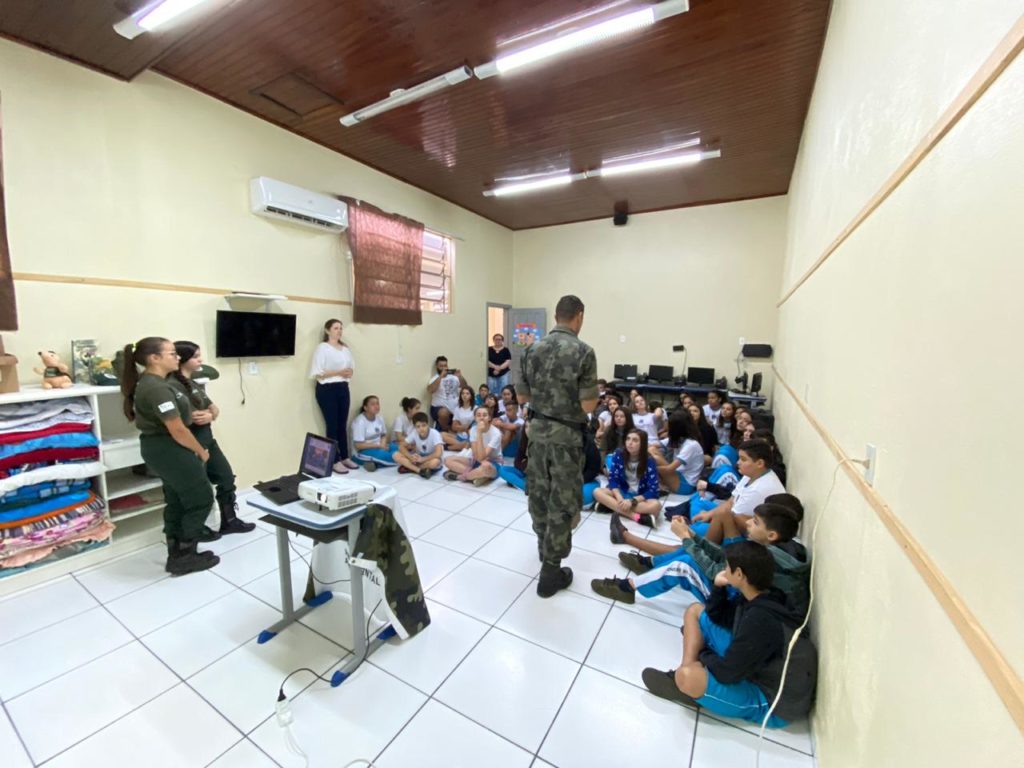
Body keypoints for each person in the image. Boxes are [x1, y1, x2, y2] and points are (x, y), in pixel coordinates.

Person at [641, 541, 817, 729]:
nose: (724, 570)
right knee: (695, 611)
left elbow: (727, 673)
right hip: (759, 665)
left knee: (687, 676)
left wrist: (704, 653)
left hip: (775, 700)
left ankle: (686, 683)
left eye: (727, 567)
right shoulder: (761, 595)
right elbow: (720, 617)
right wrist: (718, 588)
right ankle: (686, 674)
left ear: (739, 574)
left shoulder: (759, 619)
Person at [594, 499, 809, 616]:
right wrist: (691, 535)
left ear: (772, 535)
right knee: (692, 551)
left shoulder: (765, 559)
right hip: (738, 595)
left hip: (735, 608)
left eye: (755, 522)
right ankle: (646, 568)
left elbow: (716, 573)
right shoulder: (769, 548)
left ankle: (627, 588)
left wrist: (686, 539)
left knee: (684, 566)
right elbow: (726, 556)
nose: (748, 523)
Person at [518, 294, 598, 598]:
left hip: (537, 435)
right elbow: (588, 404)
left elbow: (522, 397)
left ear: (556, 316)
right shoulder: (584, 352)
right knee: (562, 502)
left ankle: (543, 547)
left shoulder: (531, 349)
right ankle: (551, 571)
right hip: (566, 439)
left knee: (539, 493)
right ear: (579, 316)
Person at [121, 337, 219, 576]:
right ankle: (185, 555)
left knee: (176, 500)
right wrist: (201, 451)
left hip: (163, 448)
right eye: (172, 353)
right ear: (154, 358)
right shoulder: (156, 388)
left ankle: (177, 554)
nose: (177, 357)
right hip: (169, 448)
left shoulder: (157, 383)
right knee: (201, 498)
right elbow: (177, 429)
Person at [170, 341, 254, 536]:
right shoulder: (172, 386)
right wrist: (207, 415)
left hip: (208, 440)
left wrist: (211, 415)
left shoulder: (191, 383)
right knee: (196, 491)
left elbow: (213, 409)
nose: (200, 360)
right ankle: (194, 530)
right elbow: (192, 418)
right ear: (182, 359)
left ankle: (229, 521)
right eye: (196, 357)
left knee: (226, 477)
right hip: (192, 445)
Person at [690, 440, 786, 542]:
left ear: (760, 463)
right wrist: (709, 514)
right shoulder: (753, 473)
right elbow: (731, 501)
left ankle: (702, 539)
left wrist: (712, 517)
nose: (738, 462)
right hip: (734, 516)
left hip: (745, 532)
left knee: (696, 529)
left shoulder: (758, 489)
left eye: (743, 459)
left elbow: (731, 517)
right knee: (697, 503)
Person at [310, 318, 358, 474]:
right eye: (336, 328)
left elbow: (351, 368)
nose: (339, 331)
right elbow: (318, 372)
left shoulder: (345, 349)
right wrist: (338, 372)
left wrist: (348, 372)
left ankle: (344, 456)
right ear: (327, 330)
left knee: (342, 424)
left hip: (342, 387)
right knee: (332, 425)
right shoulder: (322, 348)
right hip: (327, 389)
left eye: (341, 328)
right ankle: (334, 460)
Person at [592, 428, 661, 527]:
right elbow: (613, 478)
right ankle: (635, 516)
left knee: (656, 506)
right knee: (597, 492)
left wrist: (632, 501)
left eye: (635, 440)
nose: (630, 443)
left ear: (642, 444)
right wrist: (619, 498)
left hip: (639, 497)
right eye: (628, 439)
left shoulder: (649, 460)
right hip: (622, 492)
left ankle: (611, 506)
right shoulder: (618, 454)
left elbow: (653, 489)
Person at [443, 405, 503, 486]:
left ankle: (461, 476)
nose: (481, 418)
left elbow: (482, 457)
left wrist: (479, 433)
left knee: (486, 468)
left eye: (484, 415)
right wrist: (478, 432)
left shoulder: (496, 433)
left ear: (489, 418)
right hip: (476, 460)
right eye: (478, 415)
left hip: (493, 462)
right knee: (448, 460)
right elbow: (477, 456)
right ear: (475, 418)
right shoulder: (473, 430)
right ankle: (475, 475)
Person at [653, 410, 705, 495]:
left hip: (685, 485)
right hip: (678, 475)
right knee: (652, 451)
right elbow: (651, 447)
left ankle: (659, 484)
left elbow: (669, 469)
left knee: (655, 459)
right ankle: (660, 484)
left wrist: (648, 468)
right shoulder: (678, 439)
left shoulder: (691, 445)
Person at [350, 395, 396, 470]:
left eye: (377, 403)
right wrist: (379, 446)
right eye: (373, 404)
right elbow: (358, 445)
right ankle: (403, 463)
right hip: (362, 452)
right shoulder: (360, 422)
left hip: (378, 448)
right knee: (390, 456)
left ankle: (375, 464)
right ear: (365, 408)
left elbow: (383, 435)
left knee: (397, 448)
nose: (376, 406)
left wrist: (382, 445)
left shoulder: (380, 418)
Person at [392, 412, 443, 478]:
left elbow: (438, 453)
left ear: (428, 425)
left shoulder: (435, 433)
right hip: (419, 458)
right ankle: (419, 471)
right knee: (395, 455)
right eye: (418, 426)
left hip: (430, 458)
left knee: (435, 462)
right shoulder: (414, 433)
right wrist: (410, 457)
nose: (421, 429)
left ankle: (410, 467)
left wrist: (423, 459)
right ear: (414, 427)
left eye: (424, 425)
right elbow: (401, 446)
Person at [427, 356, 466, 431]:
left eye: (445, 365)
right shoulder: (434, 378)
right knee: (443, 413)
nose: (443, 368)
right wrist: (441, 376)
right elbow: (430, 390)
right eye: (441, 366)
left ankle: (458, 430)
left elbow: (465, 387)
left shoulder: (454, 377)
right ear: (437, 366)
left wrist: (460, 377)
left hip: (455, 407)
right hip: (439, 409)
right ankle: (447, 430)